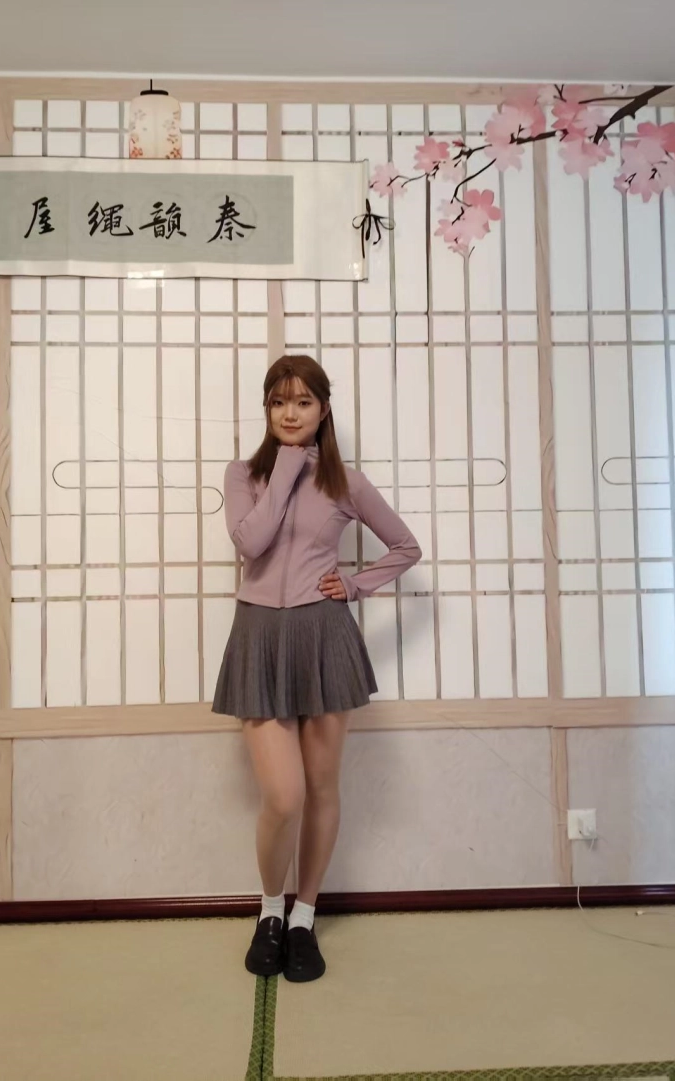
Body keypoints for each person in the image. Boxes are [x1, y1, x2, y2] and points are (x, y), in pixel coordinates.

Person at [212, 354, 422, 983]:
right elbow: (250, 543)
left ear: (323, 409)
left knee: (323, 788)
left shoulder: (346, 482)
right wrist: (286, 467)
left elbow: (406, 547)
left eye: (303, 402)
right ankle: (270, 912)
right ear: (267, 409)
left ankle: (304, 917)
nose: (290, 413)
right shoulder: (244, 474)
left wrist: (353, 586)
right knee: (284, 795)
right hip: (260, 638)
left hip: (325, 637)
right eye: (279, 402)